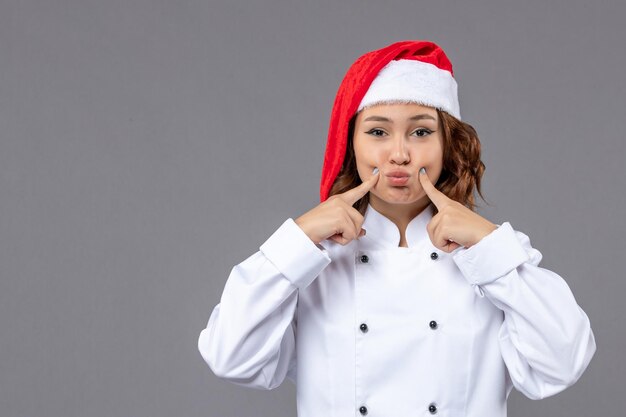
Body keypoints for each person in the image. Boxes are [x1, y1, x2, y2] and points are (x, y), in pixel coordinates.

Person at [197, 40, 596, 416]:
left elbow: (563, 363)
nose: (400, 154)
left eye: (421, 131)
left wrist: (490, 246)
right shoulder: (312, 261)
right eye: (377, 132)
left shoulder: (491, 259)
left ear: (447, 144)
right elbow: (231, 357)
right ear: (350, 143)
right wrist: (297, 237)